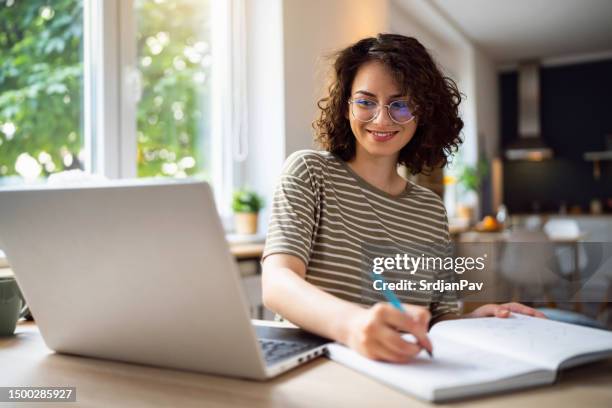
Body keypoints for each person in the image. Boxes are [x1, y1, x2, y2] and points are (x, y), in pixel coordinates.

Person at [261, 33, 544, 363]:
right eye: (366, 101)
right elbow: (278, 282)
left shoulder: (430, 210)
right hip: (317, 366)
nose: (382, 119)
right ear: (345, 105)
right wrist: (353, 325)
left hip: (403, 369)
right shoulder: (309, 171)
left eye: (401, 104)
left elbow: (440, 318)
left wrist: (477, 322)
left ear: (423, 113)